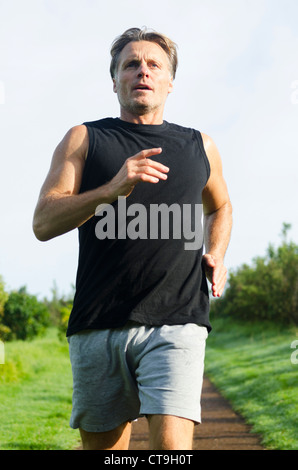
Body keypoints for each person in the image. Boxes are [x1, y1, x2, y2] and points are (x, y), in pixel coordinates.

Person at [33, 27, 232, 450]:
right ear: (114, 80)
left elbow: (221, 206)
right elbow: (43, 223)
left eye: (154, 64)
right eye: (131, 64)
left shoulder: (200, 146)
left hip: (177, 320)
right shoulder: (84, 139)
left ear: (169, 81)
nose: (143, 71)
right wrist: (110, 189)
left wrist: (216, 251)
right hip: (98, 324)